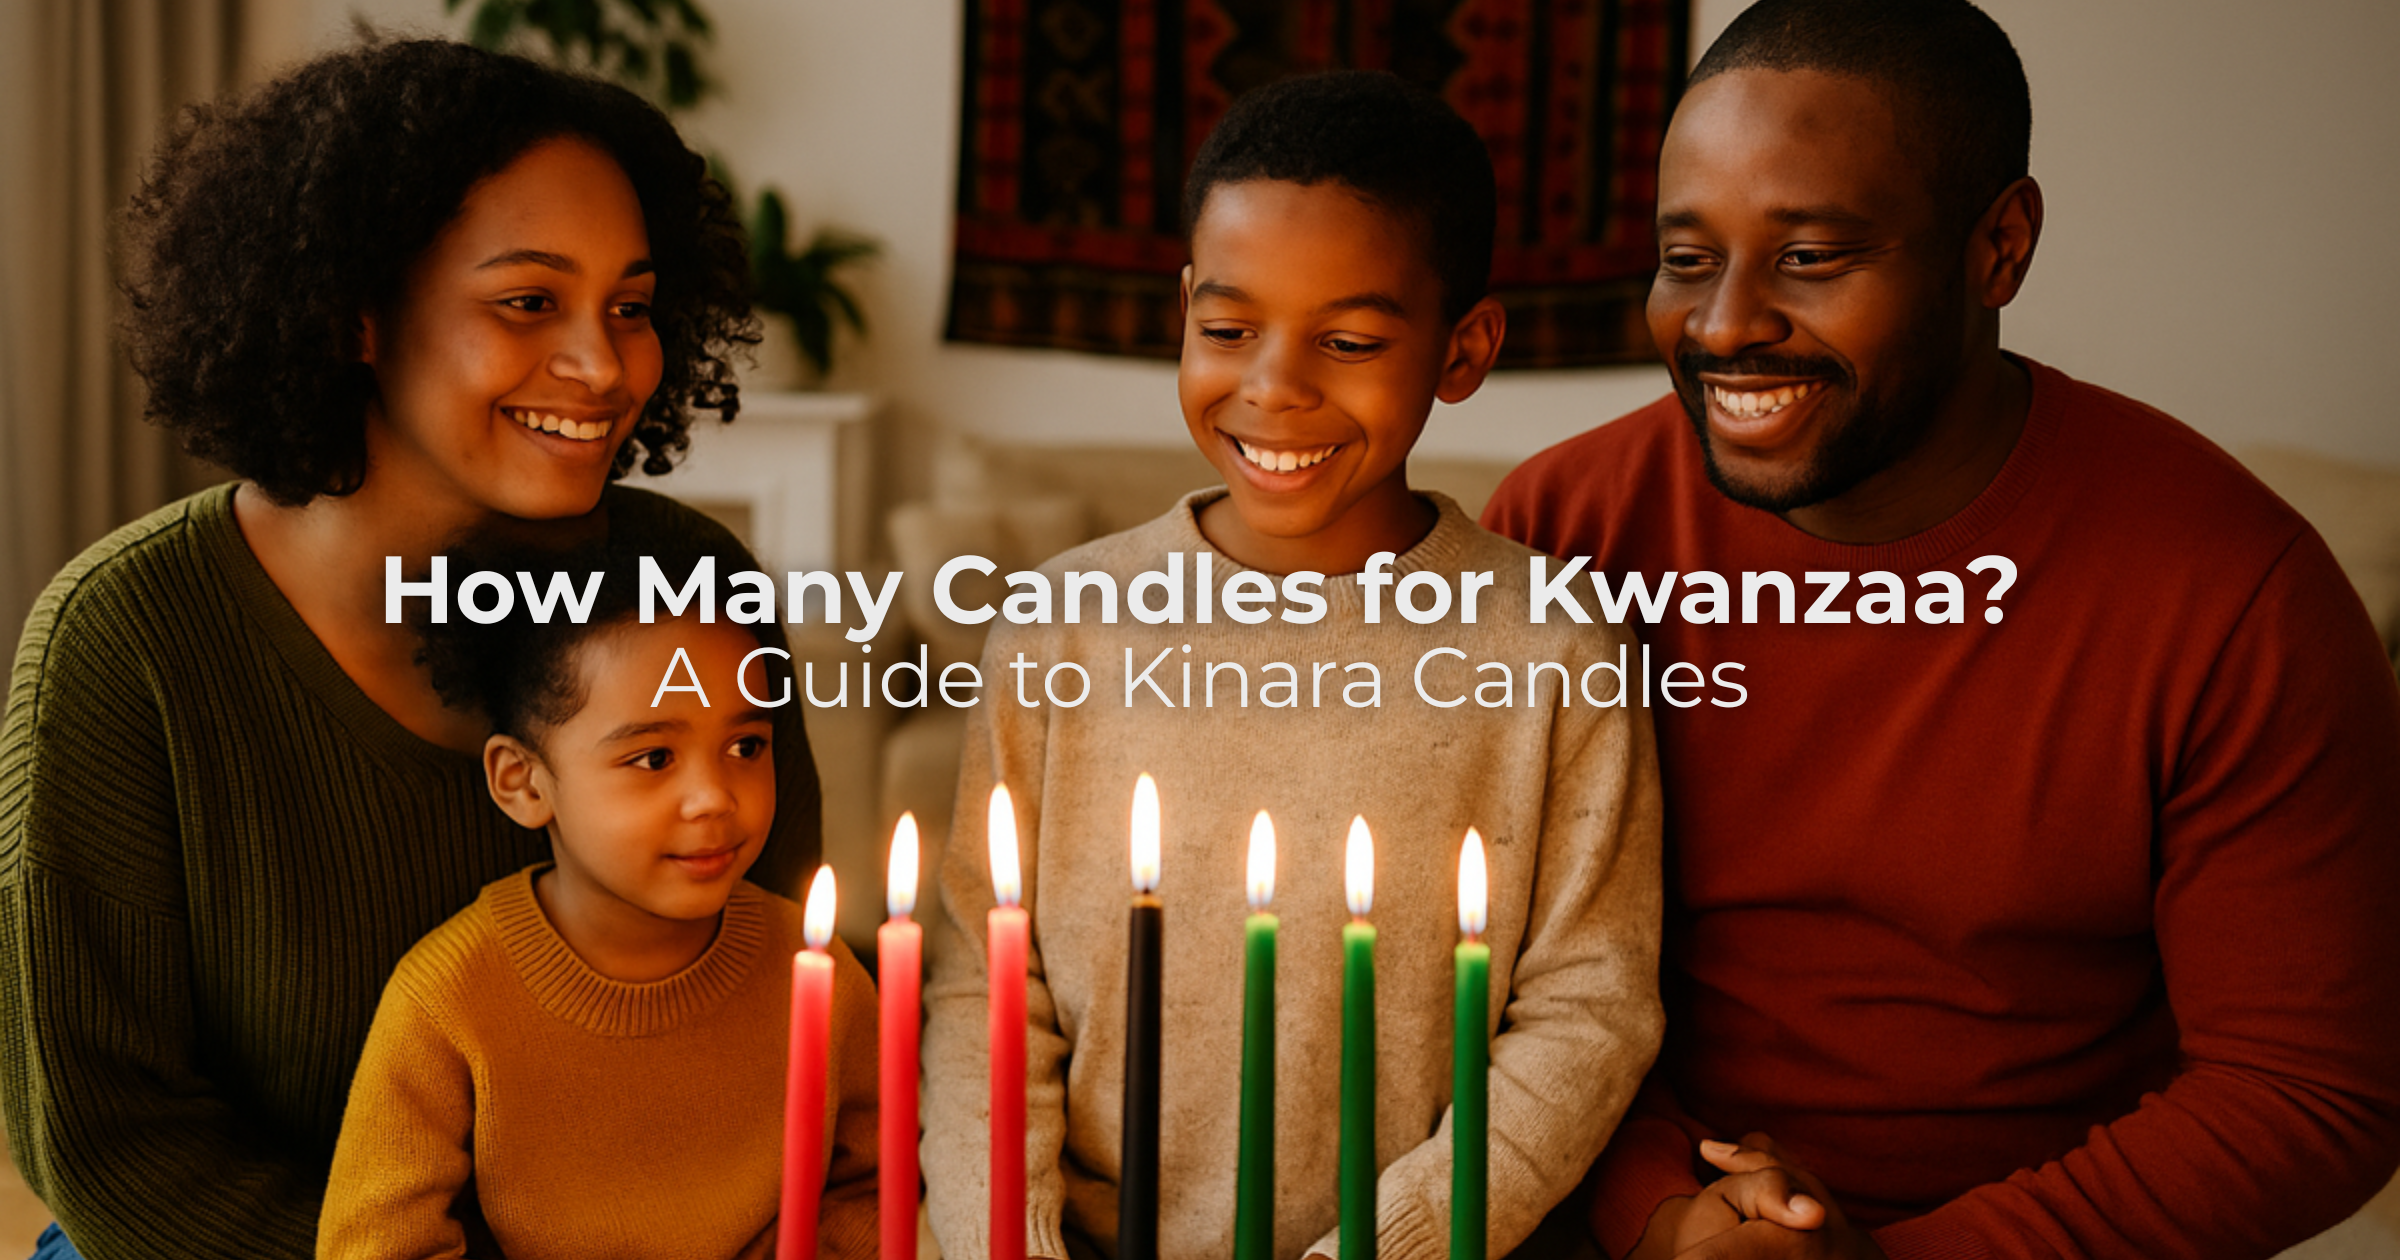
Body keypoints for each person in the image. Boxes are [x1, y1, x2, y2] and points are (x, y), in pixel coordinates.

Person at [1480, 2, 2400, 1257]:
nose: (1723, 324)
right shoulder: (1562, 526)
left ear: (1999, 246)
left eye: (1810, 257)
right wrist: (1664, 1220)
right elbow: (1498, 978)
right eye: (1687, 257)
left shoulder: (2234, 589)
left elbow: (2313, 1087)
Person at [0, 39, 821, 1260]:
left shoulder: (690, 586)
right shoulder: (123, 642)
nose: (604, 367)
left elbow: (771, 985)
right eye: (528, 301)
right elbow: (112, 1144)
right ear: (356, 316)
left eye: (632, 307)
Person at [919, 71, 1664, 1260]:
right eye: (1227, 330)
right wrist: (1005, 1239)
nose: (1274, 385)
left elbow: (1592, 1008)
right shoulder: (1061, 624)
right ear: (1183, 312)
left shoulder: (1556, 645)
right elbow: (983, 982)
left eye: (1351, 340)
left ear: (1464, 349)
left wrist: (1397, 1241)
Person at [316, 539, 877, 1260]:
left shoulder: (814, 961)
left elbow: (876, 1184)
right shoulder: (448, 998)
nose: (714, 799)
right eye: (653, 758)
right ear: (523, 782)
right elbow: (378, 1246)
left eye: (746, 747)